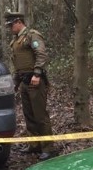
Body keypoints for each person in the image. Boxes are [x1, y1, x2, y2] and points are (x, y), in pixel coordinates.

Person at [5, 11, 55, 159]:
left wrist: (37, 73)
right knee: (29, 116)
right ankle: (34, 144)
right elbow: (18, 64)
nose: (10, 28)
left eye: (11, 25)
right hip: (24, 82)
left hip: (35, 81)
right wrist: (15, 82)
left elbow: (41, 54)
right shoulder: (16, 40)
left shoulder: (32, 36)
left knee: (40, 116)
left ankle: (48, 147)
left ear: (19, 22)